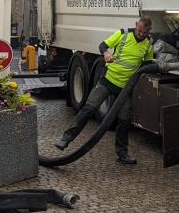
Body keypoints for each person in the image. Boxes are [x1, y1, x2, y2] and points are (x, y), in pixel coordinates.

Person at [55, 16, 154, 164]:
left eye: (144, 32)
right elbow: (103, 45)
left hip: (125, 88)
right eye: (139, 30)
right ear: (136, 25)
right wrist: (106, 53)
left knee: (124, 120)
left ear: (148, 31)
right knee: (89, 109)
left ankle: (122, 154)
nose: (140, 34)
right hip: (108, 81)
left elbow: (146, 64)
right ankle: (66, 138)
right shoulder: (123, 34)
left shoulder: (148, 44)